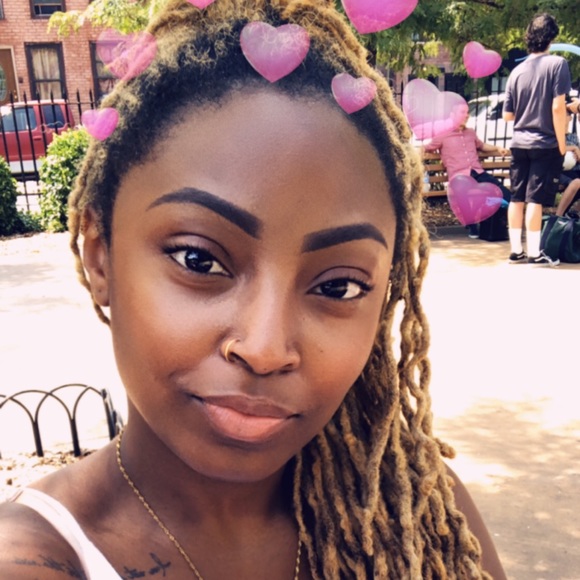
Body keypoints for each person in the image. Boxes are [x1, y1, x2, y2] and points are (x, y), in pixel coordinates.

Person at [0, 1, 506, 578]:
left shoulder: (418, 515)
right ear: (100, 255)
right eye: (198, 259)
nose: (265, 349)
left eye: (339, 286)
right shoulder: (32, 558)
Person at [502, 13, 571, 266]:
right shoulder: (558, 64)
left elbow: (508, 115)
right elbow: (557, 108)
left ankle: (515, 251)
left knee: (517, 197)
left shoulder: (517, 71)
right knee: (535, 199)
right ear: (551, 37)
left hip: (519, 142)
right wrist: (562, 144)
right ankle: (534, 253)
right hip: (544, 142)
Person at [423, 102, 510, 238]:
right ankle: (472, 227)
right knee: (461, 192)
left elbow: (482, 146)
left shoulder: (470, 133)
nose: (467, 115)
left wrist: (498, 148)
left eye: (467, 112)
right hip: (459, 177)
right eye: (463, 112)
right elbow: (426, 148)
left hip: (478, 173)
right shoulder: (442, 134)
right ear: (452, 115)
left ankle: (504, 223)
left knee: (506, 195)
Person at [555, 109, 580, 216]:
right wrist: (573, 148)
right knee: (577, 182)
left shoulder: (573, 137)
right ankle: (557, 216)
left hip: (575, 170)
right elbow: (553, 150)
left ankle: (573, 212)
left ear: (570, 118)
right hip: (559, 171)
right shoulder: (553, 135)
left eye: (566, 115)